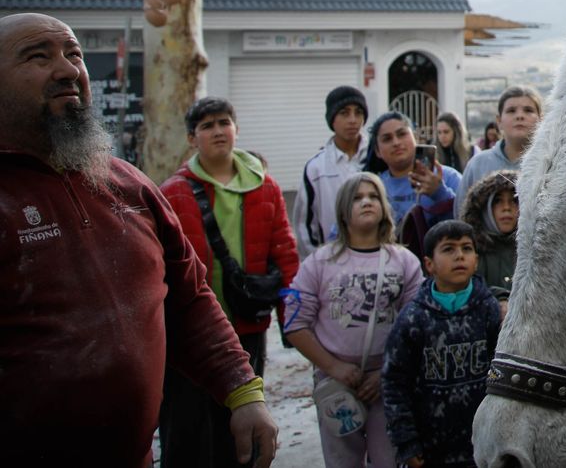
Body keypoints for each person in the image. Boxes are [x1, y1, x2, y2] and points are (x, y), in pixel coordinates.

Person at [0, 13, 277, 467]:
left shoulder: (128, 184)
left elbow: (189, 297)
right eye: (38, 56)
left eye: (74, 55)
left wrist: (243, 390)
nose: (69, 69)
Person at [159, 96, 300, 467]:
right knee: (186, 429)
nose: (218, 131)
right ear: (192, 138)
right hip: (190, 334)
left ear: (236, 129)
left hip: (247, 327)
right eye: (207, 126)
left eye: (224, 123)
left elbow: (285, 252)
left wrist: (293, 321)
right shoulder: (171, 192)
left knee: (240, 428)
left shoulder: (265, 187)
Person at [285, 172, 424, 468]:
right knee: (342, 461)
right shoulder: (319, 263)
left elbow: (415, 325)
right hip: (334, 383)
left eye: (373, 197)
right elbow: (295, 325)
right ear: (343, 211)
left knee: (389, 458)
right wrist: (333, 367)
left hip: (388, 381)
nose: (366, 202)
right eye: (358, 198)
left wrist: (386, 372)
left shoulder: (404, 262)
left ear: (384, 207)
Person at [381, 219, 502, 467]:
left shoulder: (489, 310)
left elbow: (501, 372)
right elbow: (394, 381)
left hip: (483, 443)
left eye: (467, 248)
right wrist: (406, 441)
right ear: (429, 264)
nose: (460, 256)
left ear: (476, 259)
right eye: (449, 249)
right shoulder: (413, 318)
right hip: (432, 447)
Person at [293, 84, 369, 257]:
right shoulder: (316, 168)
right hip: (333, 260)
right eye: (344, 113)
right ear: (332, 119)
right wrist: (319, 262)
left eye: (358, 112)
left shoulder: (376, 158)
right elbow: (304, 226)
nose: (352, 120)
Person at [364, 110, 462, 233]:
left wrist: (439, 193)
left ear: (415, 137)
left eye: (402, 134)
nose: (396, 142)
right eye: (387, 139)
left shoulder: (449, 177)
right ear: (377, 151)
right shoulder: (373, 188)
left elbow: (468, 222)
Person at [457, 86, 541, 214]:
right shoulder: (478, 165)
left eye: (528, 110)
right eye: (511, 110)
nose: (519, 116)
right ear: (499, 121)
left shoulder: (551, 165)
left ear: (541, 119)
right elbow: (461, 214)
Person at [462, 168, 520, 304]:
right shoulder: (473, 249)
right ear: (485, 208)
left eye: (514, 200)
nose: (506, 207)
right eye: (498, 201)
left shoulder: (534, 250)